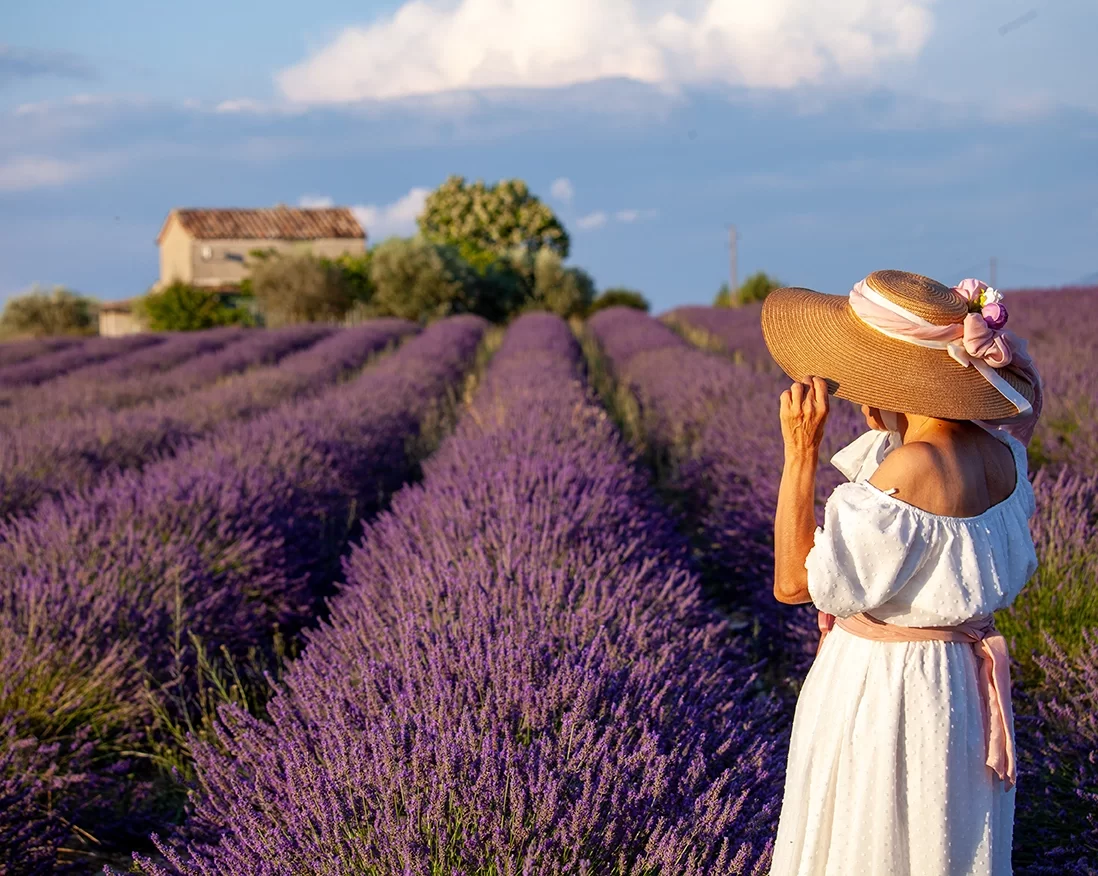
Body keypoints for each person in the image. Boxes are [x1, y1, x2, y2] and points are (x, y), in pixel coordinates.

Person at [759, 270, 1043, 876]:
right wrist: (888, 424)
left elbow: (793, 584)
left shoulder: (904, 473)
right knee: (942, 839)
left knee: (870, 840)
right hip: (960, 689)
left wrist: (800, 452)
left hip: (885, 691)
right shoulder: (1005, 457)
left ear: (895, 373)